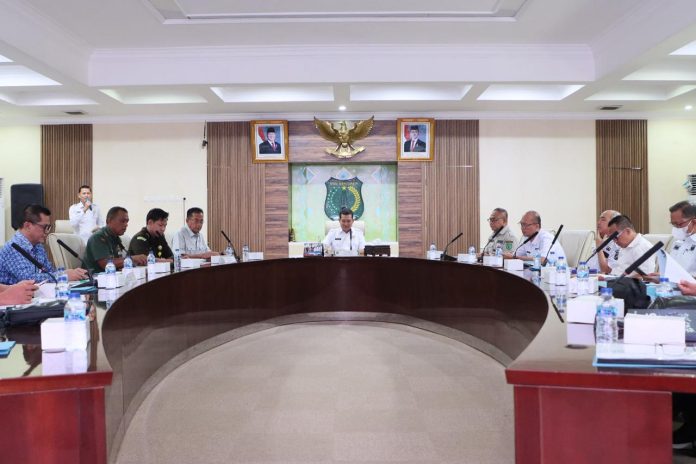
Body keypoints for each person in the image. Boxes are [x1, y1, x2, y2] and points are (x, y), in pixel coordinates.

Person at [0, 205, 88, 284]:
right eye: (44, 227)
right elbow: (28, 279)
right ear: (28, 226)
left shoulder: (38, 246)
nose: (47, 231)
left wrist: (67, 272)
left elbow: (49, 271)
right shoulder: (12, 248)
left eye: (48, 227)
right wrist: (64, 276)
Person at [83, 206, 147, 273]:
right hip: (94, 277)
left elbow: (119, 261)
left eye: (127, 221)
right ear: (109, 221)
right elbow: (105, 264)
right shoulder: (98, 237)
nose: (126, 224)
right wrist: (132, 259)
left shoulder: (115, 237)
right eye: (122, 221)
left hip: (112, 275)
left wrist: (137, 261)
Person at [587, 209, 621, 274]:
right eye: (599, 219)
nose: (598, 223)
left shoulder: (618, 243)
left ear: (614, 224)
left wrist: (599, 247)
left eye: (603, 220)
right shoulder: (598, 239)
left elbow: (606, 271)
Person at [668, 200, 696, 276]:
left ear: (694, 222)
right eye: (674, 224)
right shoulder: (678, 242)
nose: (677, 228)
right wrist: (660, 277)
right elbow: (672, 270)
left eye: (679, 224)